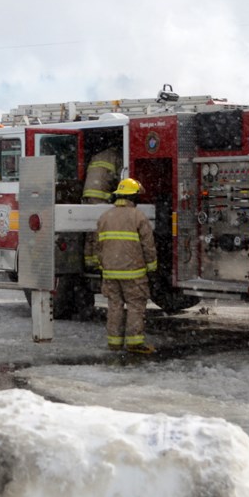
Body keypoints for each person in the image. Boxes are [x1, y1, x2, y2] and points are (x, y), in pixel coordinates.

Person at [95, 177, 158, 354]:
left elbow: (98, 246)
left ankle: (114, 343)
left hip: (110, 273)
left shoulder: (105, 217)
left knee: (114, 305)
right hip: (133, 273)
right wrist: (152, 267)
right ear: (133, 197)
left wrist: (103, 266)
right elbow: (148, 246)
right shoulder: (138, 216)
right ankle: (134, 343)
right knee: (135, 306)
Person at [81, 145, 121, 273]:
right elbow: (121, 177)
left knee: (90, 229)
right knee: (100, 231)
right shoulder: (116, 157)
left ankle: (89, 261)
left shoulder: (97, 156)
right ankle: (98, 263)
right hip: (100, 196)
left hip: (87, 195)